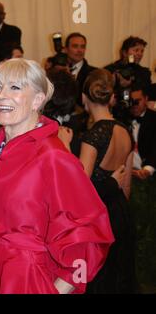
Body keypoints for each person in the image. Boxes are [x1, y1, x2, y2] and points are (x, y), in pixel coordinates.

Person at [0, 58, 114, 294]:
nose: (2, 95)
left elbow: (88, 238)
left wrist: (56, 291)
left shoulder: (53, 157)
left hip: (25, 280)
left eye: (15, 87)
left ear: (38, 99)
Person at [59, 69, 137, 293]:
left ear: (84, 98)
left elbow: (80, 183)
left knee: (100, 279)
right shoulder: (125, 131)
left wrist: (65, 146)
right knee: (120, 278)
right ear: (110, 97)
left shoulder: (94, 134)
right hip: (121, 211)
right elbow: (127, 186)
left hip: (99, 216)